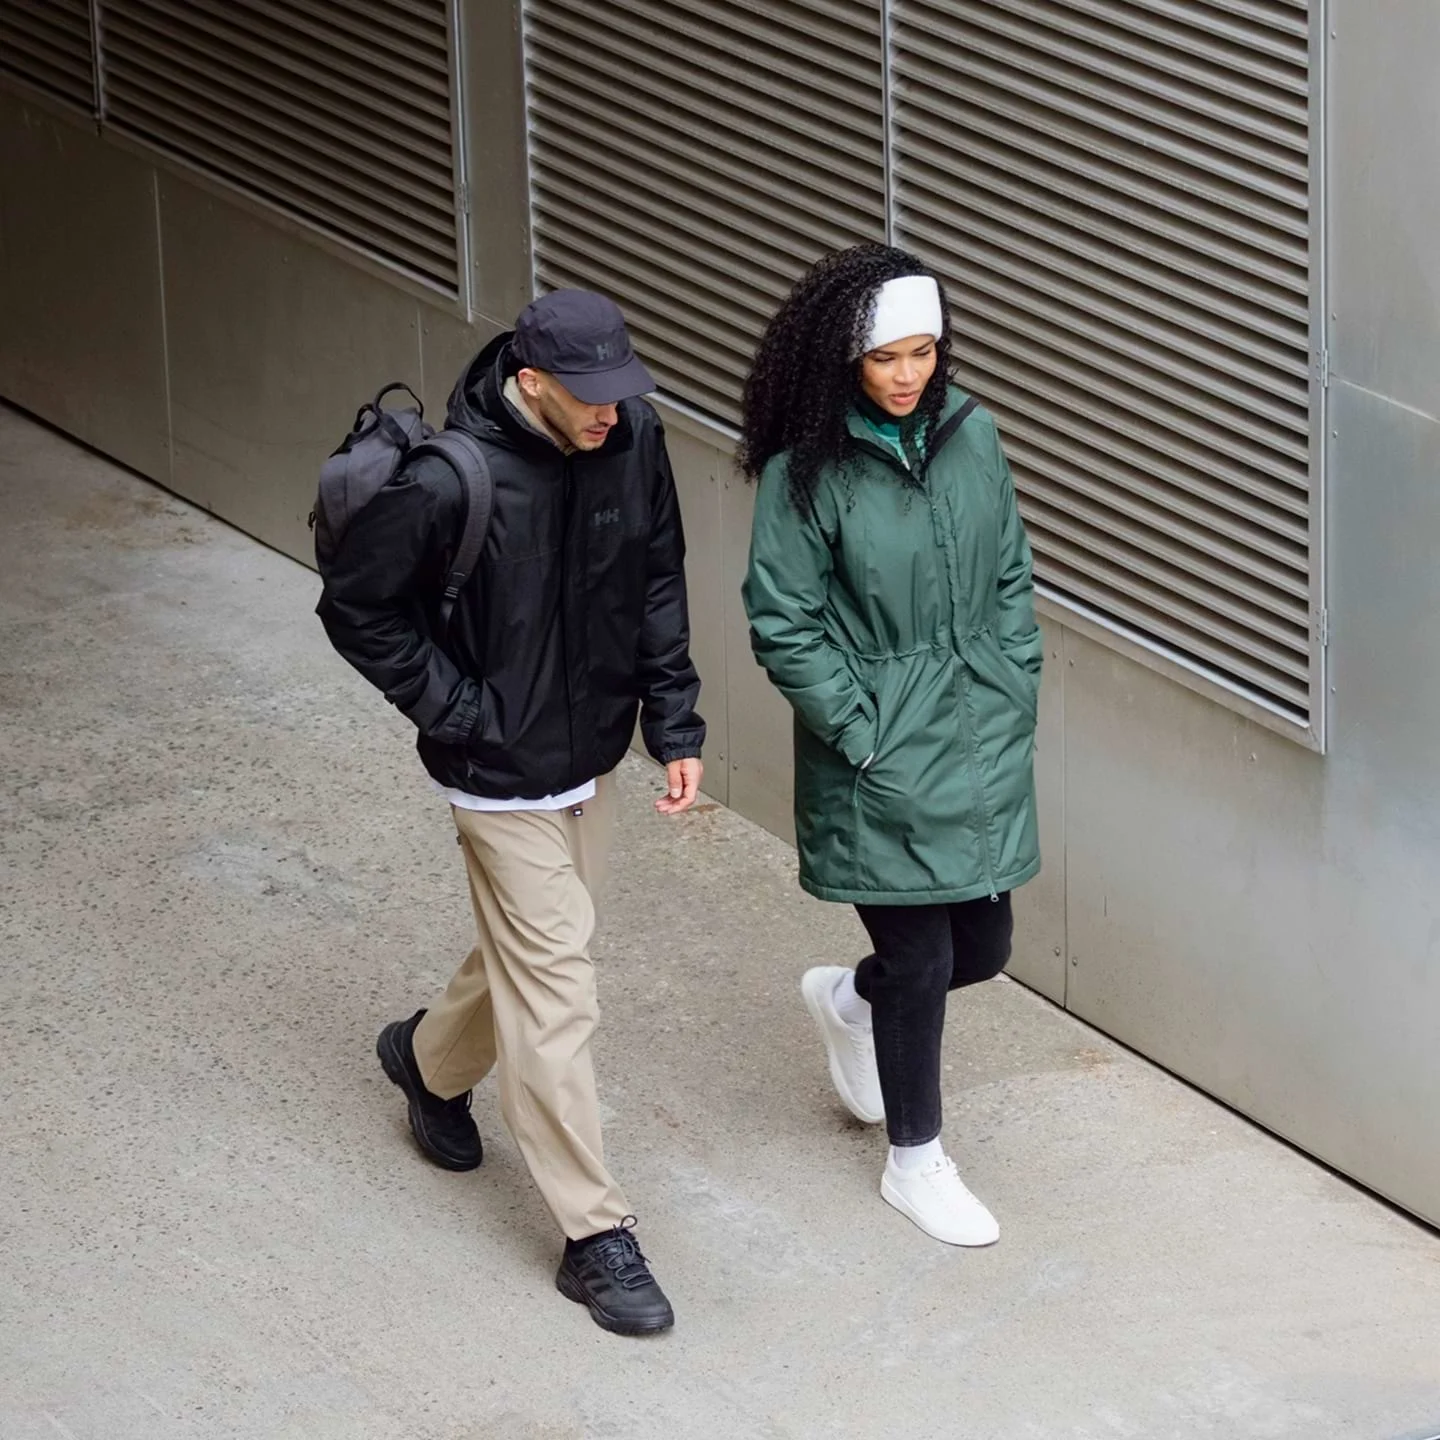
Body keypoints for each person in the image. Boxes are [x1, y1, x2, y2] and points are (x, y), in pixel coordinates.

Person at [318, 289, 705, 1334]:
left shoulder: (631, 436)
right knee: (559, 987)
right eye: (592, 398)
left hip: (592, 751)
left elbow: (657, 575)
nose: (612, 415)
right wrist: (460, 711)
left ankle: (429, 1062)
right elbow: (356, 608)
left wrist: (673, 721)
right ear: (531, 382)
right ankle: (595, 1235)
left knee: (536, 950)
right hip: (495, 772)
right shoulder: (453, 480)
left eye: (625, 393)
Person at [739, 245, 1041, 1247]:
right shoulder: (805, 473)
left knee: (984, 950)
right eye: (886, 359)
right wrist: (862, 729)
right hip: (876, 751)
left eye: (925, 351)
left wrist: (1012, 683)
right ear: (844, 362)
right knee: (918, 956)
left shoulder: (973, 435)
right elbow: (782, 618)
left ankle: (850, 1000)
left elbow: (1010, 574)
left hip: (975, 734)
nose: (910, 375)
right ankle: (917, 1163)